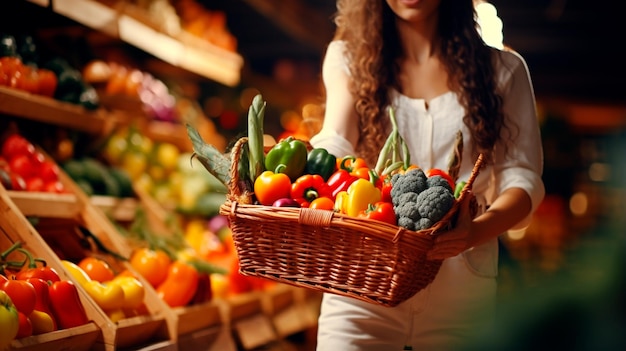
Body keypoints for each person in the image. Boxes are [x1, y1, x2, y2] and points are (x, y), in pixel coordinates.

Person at [308, 0, 545, 350]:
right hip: (363, 286)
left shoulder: (504, 70)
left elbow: (522, 177)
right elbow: (337, 140)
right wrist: (304, 173)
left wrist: (474, 231)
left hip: (460, 293)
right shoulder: (346, 58)